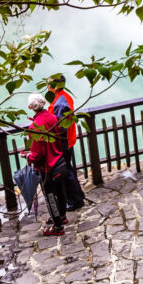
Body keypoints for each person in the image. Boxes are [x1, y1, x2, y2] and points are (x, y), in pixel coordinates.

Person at [26, 93, 69, 236]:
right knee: (61, 191)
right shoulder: (53, 118)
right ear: (43, 103)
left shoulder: (35, 126)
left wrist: (28, 156)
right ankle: (62, 216)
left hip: (47, 167)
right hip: (59, 161)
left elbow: (37, 154)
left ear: (30, 107)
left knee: (50, 197)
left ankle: (57, 227)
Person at [46, 74, 85, 210]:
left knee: (66, 171)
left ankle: (76, 201)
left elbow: (61, 126)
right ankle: (77, 197)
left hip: (63, 142)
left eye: (49, 83)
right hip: (67, 140)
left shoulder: (60, 101)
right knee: (68, 168)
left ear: (57, 86)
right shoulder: (62, 97)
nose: (47, 86)